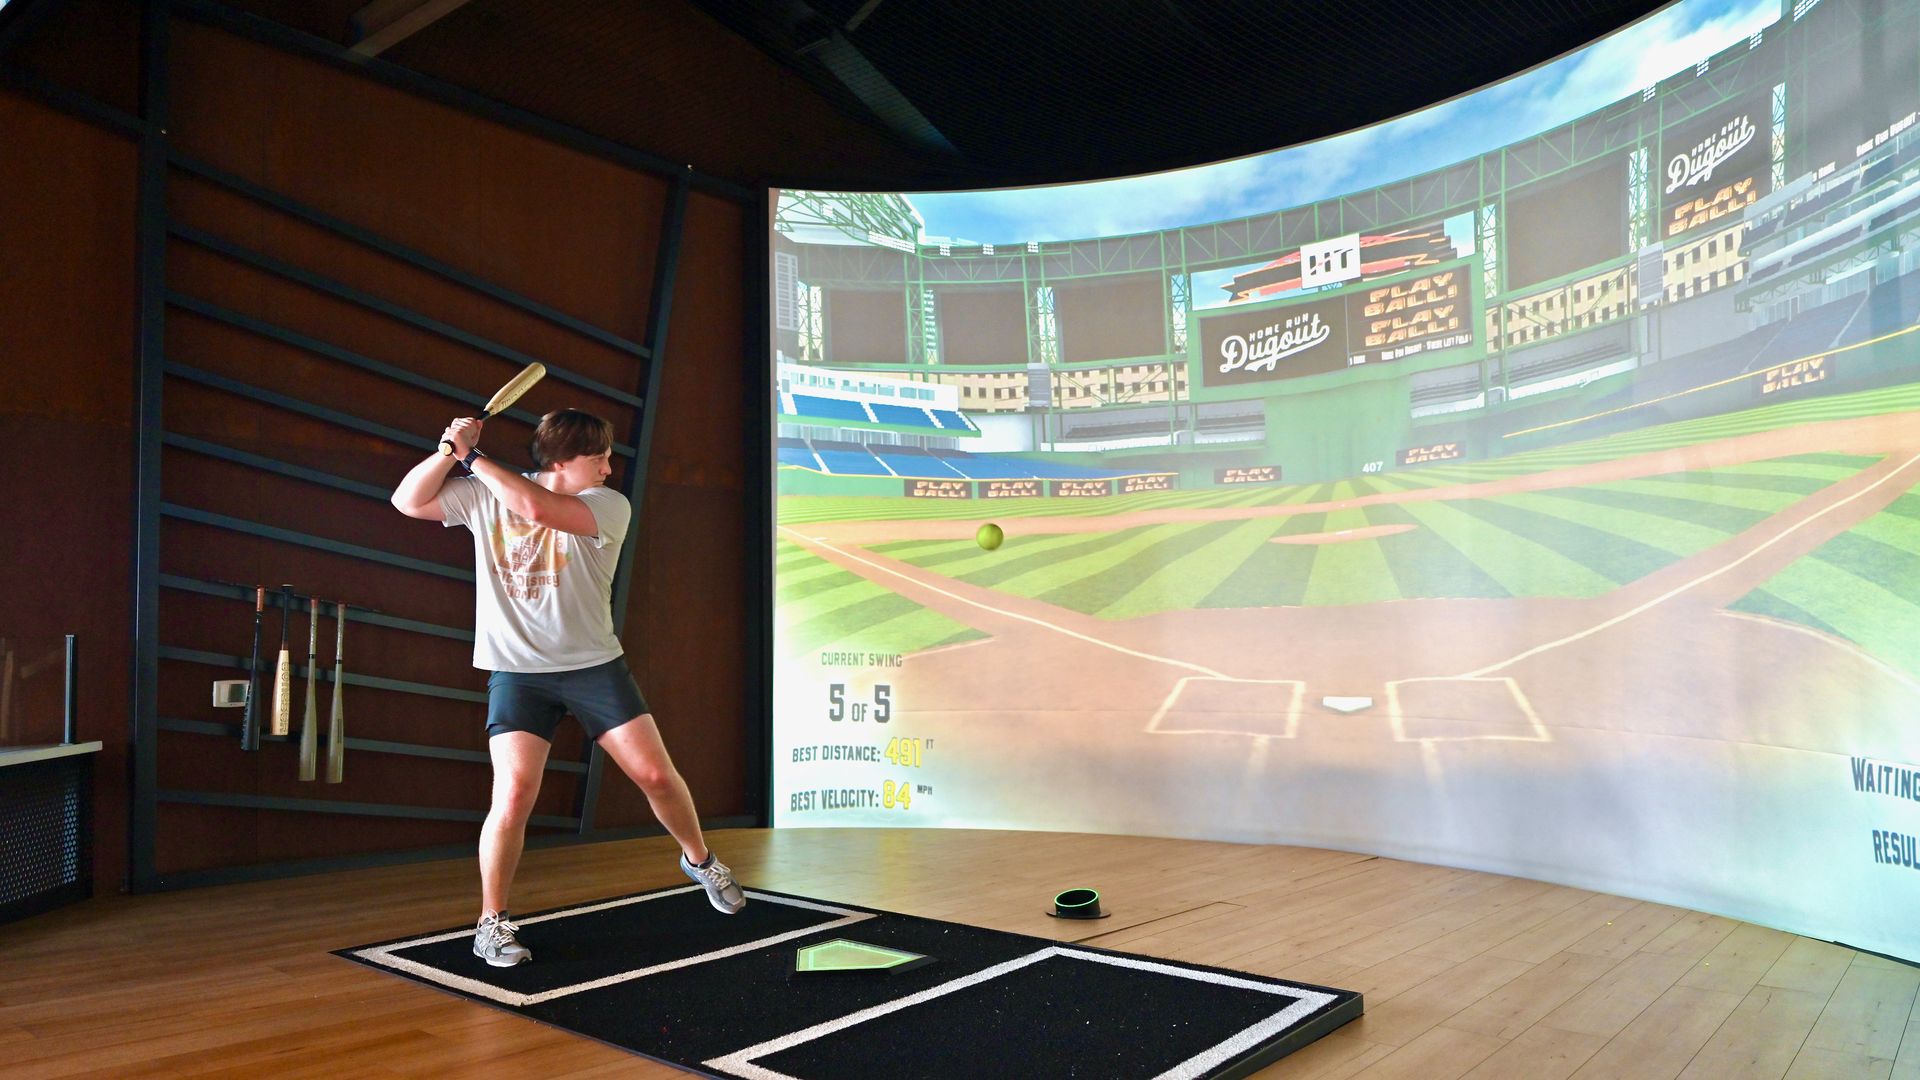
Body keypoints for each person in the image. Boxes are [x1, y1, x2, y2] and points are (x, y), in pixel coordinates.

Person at [389, 408, 744, 968]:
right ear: (560, 461)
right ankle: (492, 924)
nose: (609, 466)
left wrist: (473, 457)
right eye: (598, 456)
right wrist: (447, 451)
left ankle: (699, 861)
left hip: (593, 666)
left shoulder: (608, 505)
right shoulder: (482, 495)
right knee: (511, 795)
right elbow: (407, 502)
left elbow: (534, 507)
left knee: (654, 774)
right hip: (517, 673)